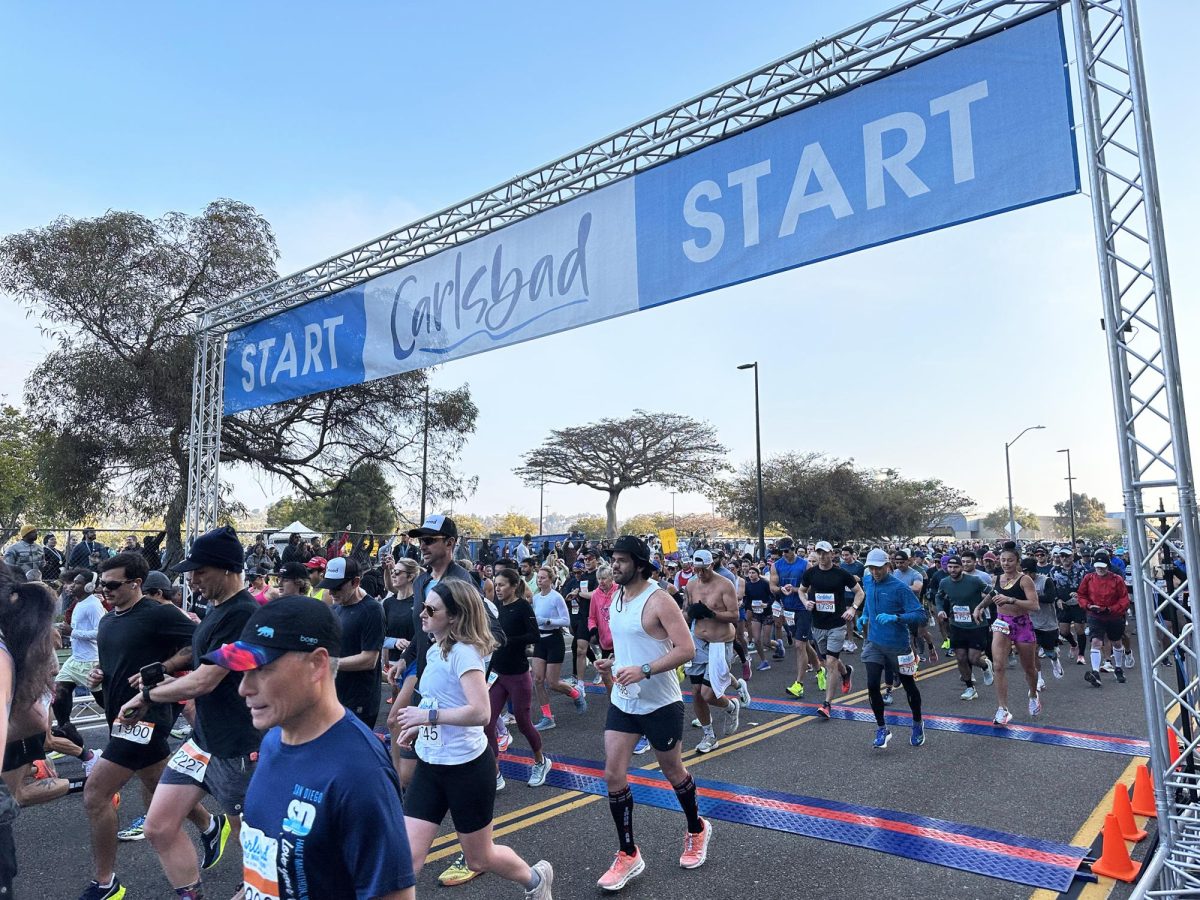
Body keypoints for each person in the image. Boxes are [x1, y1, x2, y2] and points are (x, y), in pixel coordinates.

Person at [205, 596, 416, 899]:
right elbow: (269, 870)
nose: (244, 688)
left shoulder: (360, 775)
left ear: (317, 664)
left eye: (261, 669)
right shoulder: (274, 739)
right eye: (242, 671)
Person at [112, 527, 260, 899]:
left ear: (228, 570)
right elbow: (197, 664)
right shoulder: (215, 610)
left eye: (200, 571)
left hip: (237, 745)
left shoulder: (244, 614)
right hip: (204, 740)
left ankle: (257, 887)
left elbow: (205, 681)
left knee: (250, 832)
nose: (192, 579)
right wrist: (164, 669)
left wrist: (148, 695)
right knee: (159, 826)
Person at [396, 580, 554, 899]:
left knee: (479, 857)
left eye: (431, 609)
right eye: (422, 606)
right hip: (431, 765)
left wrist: (426, 717)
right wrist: (417, 723)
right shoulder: (434, 647)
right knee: (406, 860)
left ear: (454, 616)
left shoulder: (464, 652)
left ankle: (536, 881)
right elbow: (438, 698)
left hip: (466, 768)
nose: (421, 613)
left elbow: (481, 713)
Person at [78, 552, 205, 900]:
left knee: (95, 794)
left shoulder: (158, 613)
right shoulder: (107, 621)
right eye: (102, 585)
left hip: (147, 719)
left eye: (114, 585)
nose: (106, 591)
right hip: (118, 716)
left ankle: (106, 884)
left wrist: (163, 667)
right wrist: (98, 682)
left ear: (136, 584)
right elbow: (113, 672)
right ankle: (211, 825)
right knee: (157, 783)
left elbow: (200, 644)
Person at [595, 536, 708, 892]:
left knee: (672, 770)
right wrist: (612, 663)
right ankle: (628, 853)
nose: (615, 565)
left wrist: (644, 669)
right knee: (613, 774)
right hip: (625, 701)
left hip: (661, 703)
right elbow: (631, 646)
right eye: (613, 559)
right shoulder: (616, 597)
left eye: (622, 560)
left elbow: (686, 649)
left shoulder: (659, 599)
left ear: (640, 564)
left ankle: (697, 829)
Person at [484, 568, 548, 790]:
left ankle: (540, 761)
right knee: (487, 723)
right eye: (496, 584)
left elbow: (534, 636)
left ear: (513, 586)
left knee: (523, 722)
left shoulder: (522, 606)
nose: (497, 589)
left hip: (518, 674)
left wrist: (508, 640)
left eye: (501, 585)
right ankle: (495, 771)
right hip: (497, 673)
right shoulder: (497, 608)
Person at [860, 548, 927, 750]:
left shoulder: (900, 588)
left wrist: (896, 618)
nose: (875, 572)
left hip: (898, 645)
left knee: (908, 685)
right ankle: (882, 729)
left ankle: (917, 723)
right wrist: (864, 615)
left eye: (878, 568)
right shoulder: (868, 581)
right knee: (872, 685)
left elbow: (920, 614)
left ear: (887, 566)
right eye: (871, 568)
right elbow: (868, 601)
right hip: (874, 643)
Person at [973, 543, 1041, 725]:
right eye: (1003, 560)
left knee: (1029, 668)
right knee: (998, 666)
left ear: (1017, 561)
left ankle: (1033, 694)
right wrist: (979, 607)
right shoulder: (996, 579)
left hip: (1022, 624)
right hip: (1002, 623)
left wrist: (1011, 599)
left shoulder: (1025, 580)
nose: (1006, 563)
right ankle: (1002, 709)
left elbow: (1034, 605)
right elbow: (993, 595)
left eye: (1010, 560)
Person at [683, 550, 740, 754]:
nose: (699, 573)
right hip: (698, 640)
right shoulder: (691, 584)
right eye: (695, 569)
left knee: (709, 694)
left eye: (702, 570)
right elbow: (686, 611)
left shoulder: (725, 584)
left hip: (719, 643)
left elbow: (735, 615)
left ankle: (731, 707)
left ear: (711, 566)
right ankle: (709, 735)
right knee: (697, 693)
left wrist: (711, 613)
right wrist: (689, 614)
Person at [798, 541, 862, 718]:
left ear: (832, 554)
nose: (822, 556)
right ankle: (846, 671)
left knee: (831, 663)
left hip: (837, 624)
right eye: (819, 553)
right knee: (827, 660)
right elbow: (801, 591)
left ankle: (827, 704)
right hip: (818, 624)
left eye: (825, 553)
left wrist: (852, 608)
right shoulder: (810, 573)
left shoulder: (841, 573)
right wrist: (805, 602)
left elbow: (859, 592)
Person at [319, 557, 385, 728]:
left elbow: (369, 659)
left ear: (355, 582)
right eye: (329, 586)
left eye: (337, 587)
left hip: (359, 700)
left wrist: (329, 664)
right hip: (335, 694)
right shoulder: (336, 606)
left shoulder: (372, 610)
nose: (331, 592)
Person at [531, 566, 586, 730]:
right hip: (540, 641)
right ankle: (547, 717)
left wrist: (547, 621)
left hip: (554, 639)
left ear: (550, 580)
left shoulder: (556, 598)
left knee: (553, 683)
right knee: (538, 680)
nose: (539, 580)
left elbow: (565, 621)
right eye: (538, 578)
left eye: (543, 578)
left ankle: (576, 694)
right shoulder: (535, 598)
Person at [934, 556, 994, 700]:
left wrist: (980, 607)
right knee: (961, 658)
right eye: (950, 567)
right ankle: (970, 688)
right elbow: (938, 597)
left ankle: (985, 665)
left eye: (956, 567)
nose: (953, 570)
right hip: (957, 625)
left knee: (973, 658)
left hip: (976, 624)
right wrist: (940, 609)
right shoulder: (944, 582)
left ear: (961, 567)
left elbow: (992, 593)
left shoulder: (974, 580)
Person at [1079, 549, 1131, 687]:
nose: (1099, 570)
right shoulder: (1088, 578)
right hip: (1095, 615)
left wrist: (1110, 609)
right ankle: (1095, 672)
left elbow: (1124, 599)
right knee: (1096, 641)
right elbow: (1081, 595)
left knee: (1117, 642)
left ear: (1107, 567)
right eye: (1097, 567)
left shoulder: (1117, 579)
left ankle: (1118, 667)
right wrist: (1088, 606)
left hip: (1113, 615)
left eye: (1102, 567)